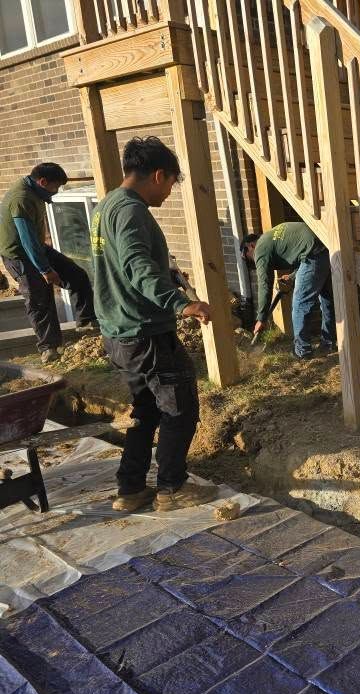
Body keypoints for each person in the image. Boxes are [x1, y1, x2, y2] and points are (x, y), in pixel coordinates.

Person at [90, 136, 216, 514]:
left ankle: (130, 490)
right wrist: (182, 303)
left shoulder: (107, 205)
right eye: (172, 183)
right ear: (158, 174)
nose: (170, 192)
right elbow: (136, 266)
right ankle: (172, 488)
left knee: (145, 411)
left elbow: (126, 265)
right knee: (180, 409)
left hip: (120, 333)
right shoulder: (131, 212)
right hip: (144, 333)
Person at [0, 163, 98, 362]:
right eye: (56, 187)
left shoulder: (33, 189)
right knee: (39, 297)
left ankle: (86, 322)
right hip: (19, 255)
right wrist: (45, 269)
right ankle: (49, 348)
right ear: (42, 182)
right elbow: (26, 239)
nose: (56, 192)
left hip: (37, 247)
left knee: (77, 275)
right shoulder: (22, 198)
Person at [242, 222, 336, 358]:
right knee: (327, 300)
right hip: (324, 249)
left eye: (248, 256)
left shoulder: (260, 249)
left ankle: (302, 351)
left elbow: (264, 284)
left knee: (300, 304)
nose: (252, 260)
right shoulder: (271, 236)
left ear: (250, 246)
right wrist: (292, 276)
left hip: (312, 255)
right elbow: (301, 250)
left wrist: (261, 318)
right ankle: (328, 343)